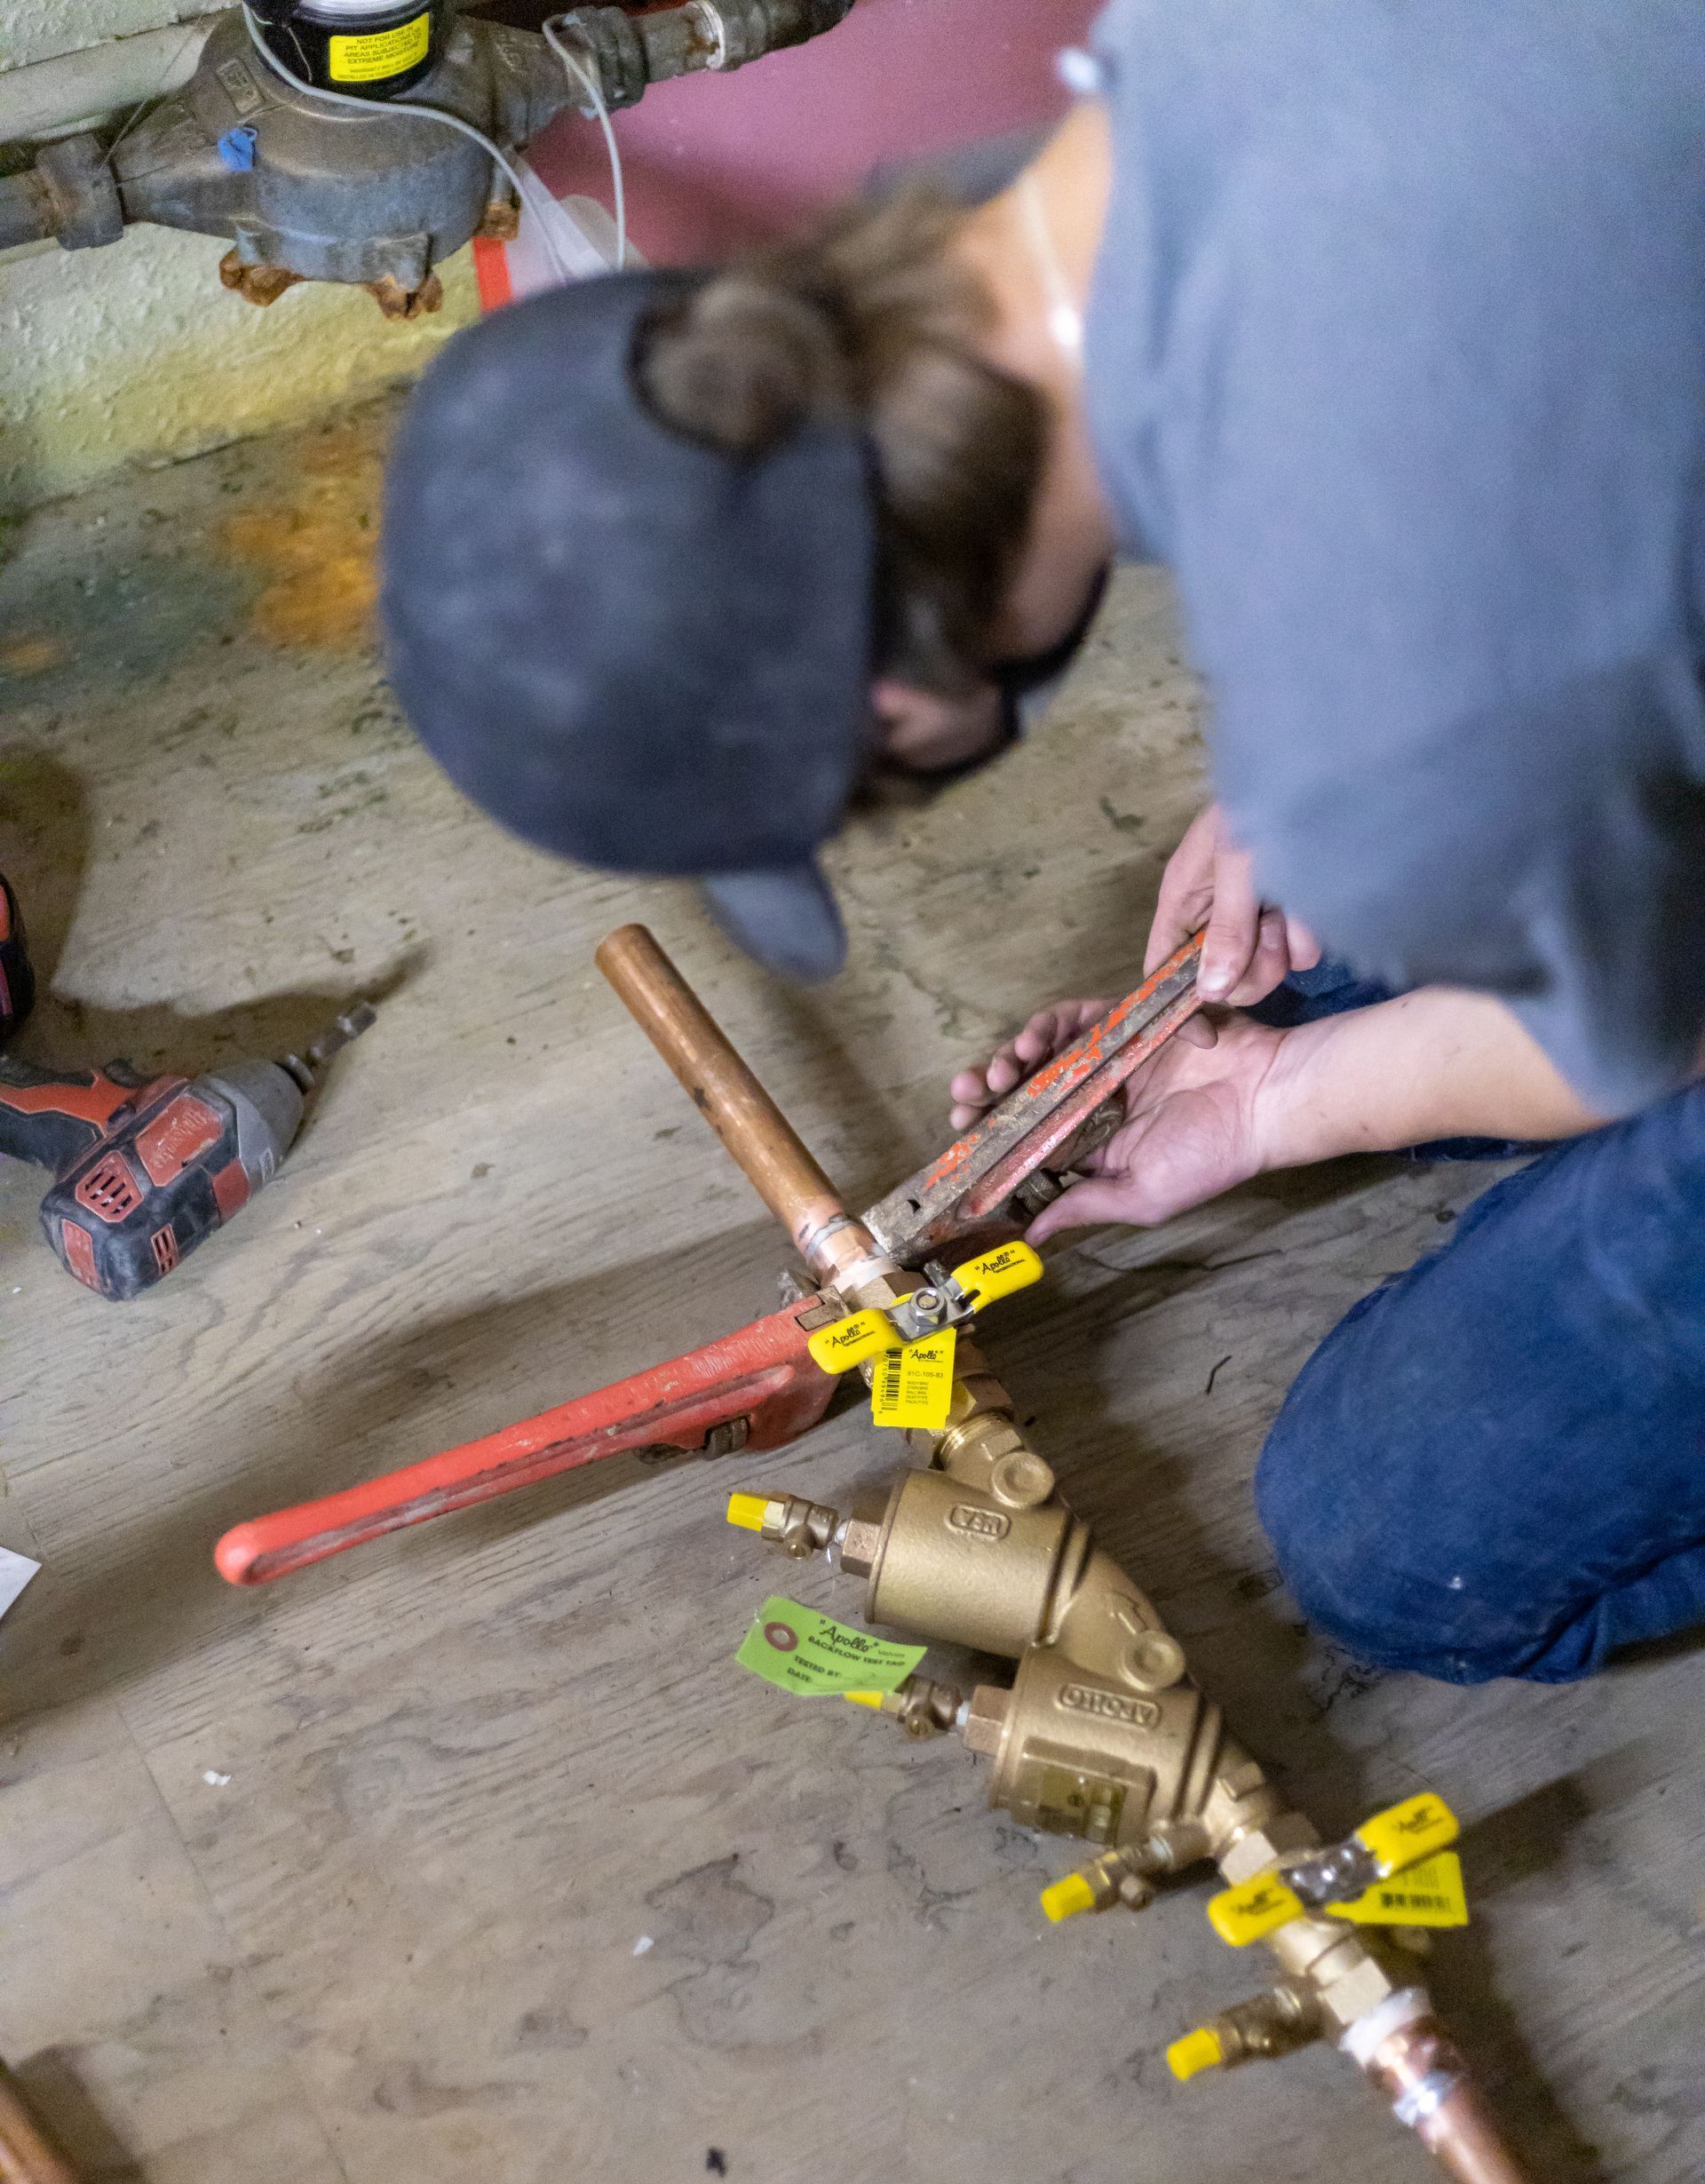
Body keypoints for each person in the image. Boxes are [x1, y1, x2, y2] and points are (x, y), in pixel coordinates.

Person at [380, 0, 1705, 1687]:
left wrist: (1280, 1102)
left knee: (1402, 1537)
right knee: (1332, 949)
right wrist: (1325, 773)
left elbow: (1654, 1028)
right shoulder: (1175, 85)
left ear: (890, 698)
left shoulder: (1383, 648)